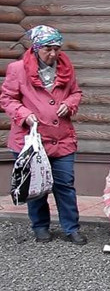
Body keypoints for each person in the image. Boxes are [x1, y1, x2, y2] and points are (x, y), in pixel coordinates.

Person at [0, 25, 86, 245]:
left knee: (64, 184)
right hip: (31, 140)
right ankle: (40, 227)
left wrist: (69, 103)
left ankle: (71, 228)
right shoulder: (18, 69)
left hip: (62, 138)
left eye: (57, 48)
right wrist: (24, 114)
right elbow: (7, 99)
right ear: (36, 47)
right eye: (48, 48)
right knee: (36, 186)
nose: (53, 53)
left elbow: (76, 92)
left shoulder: (66, 67)